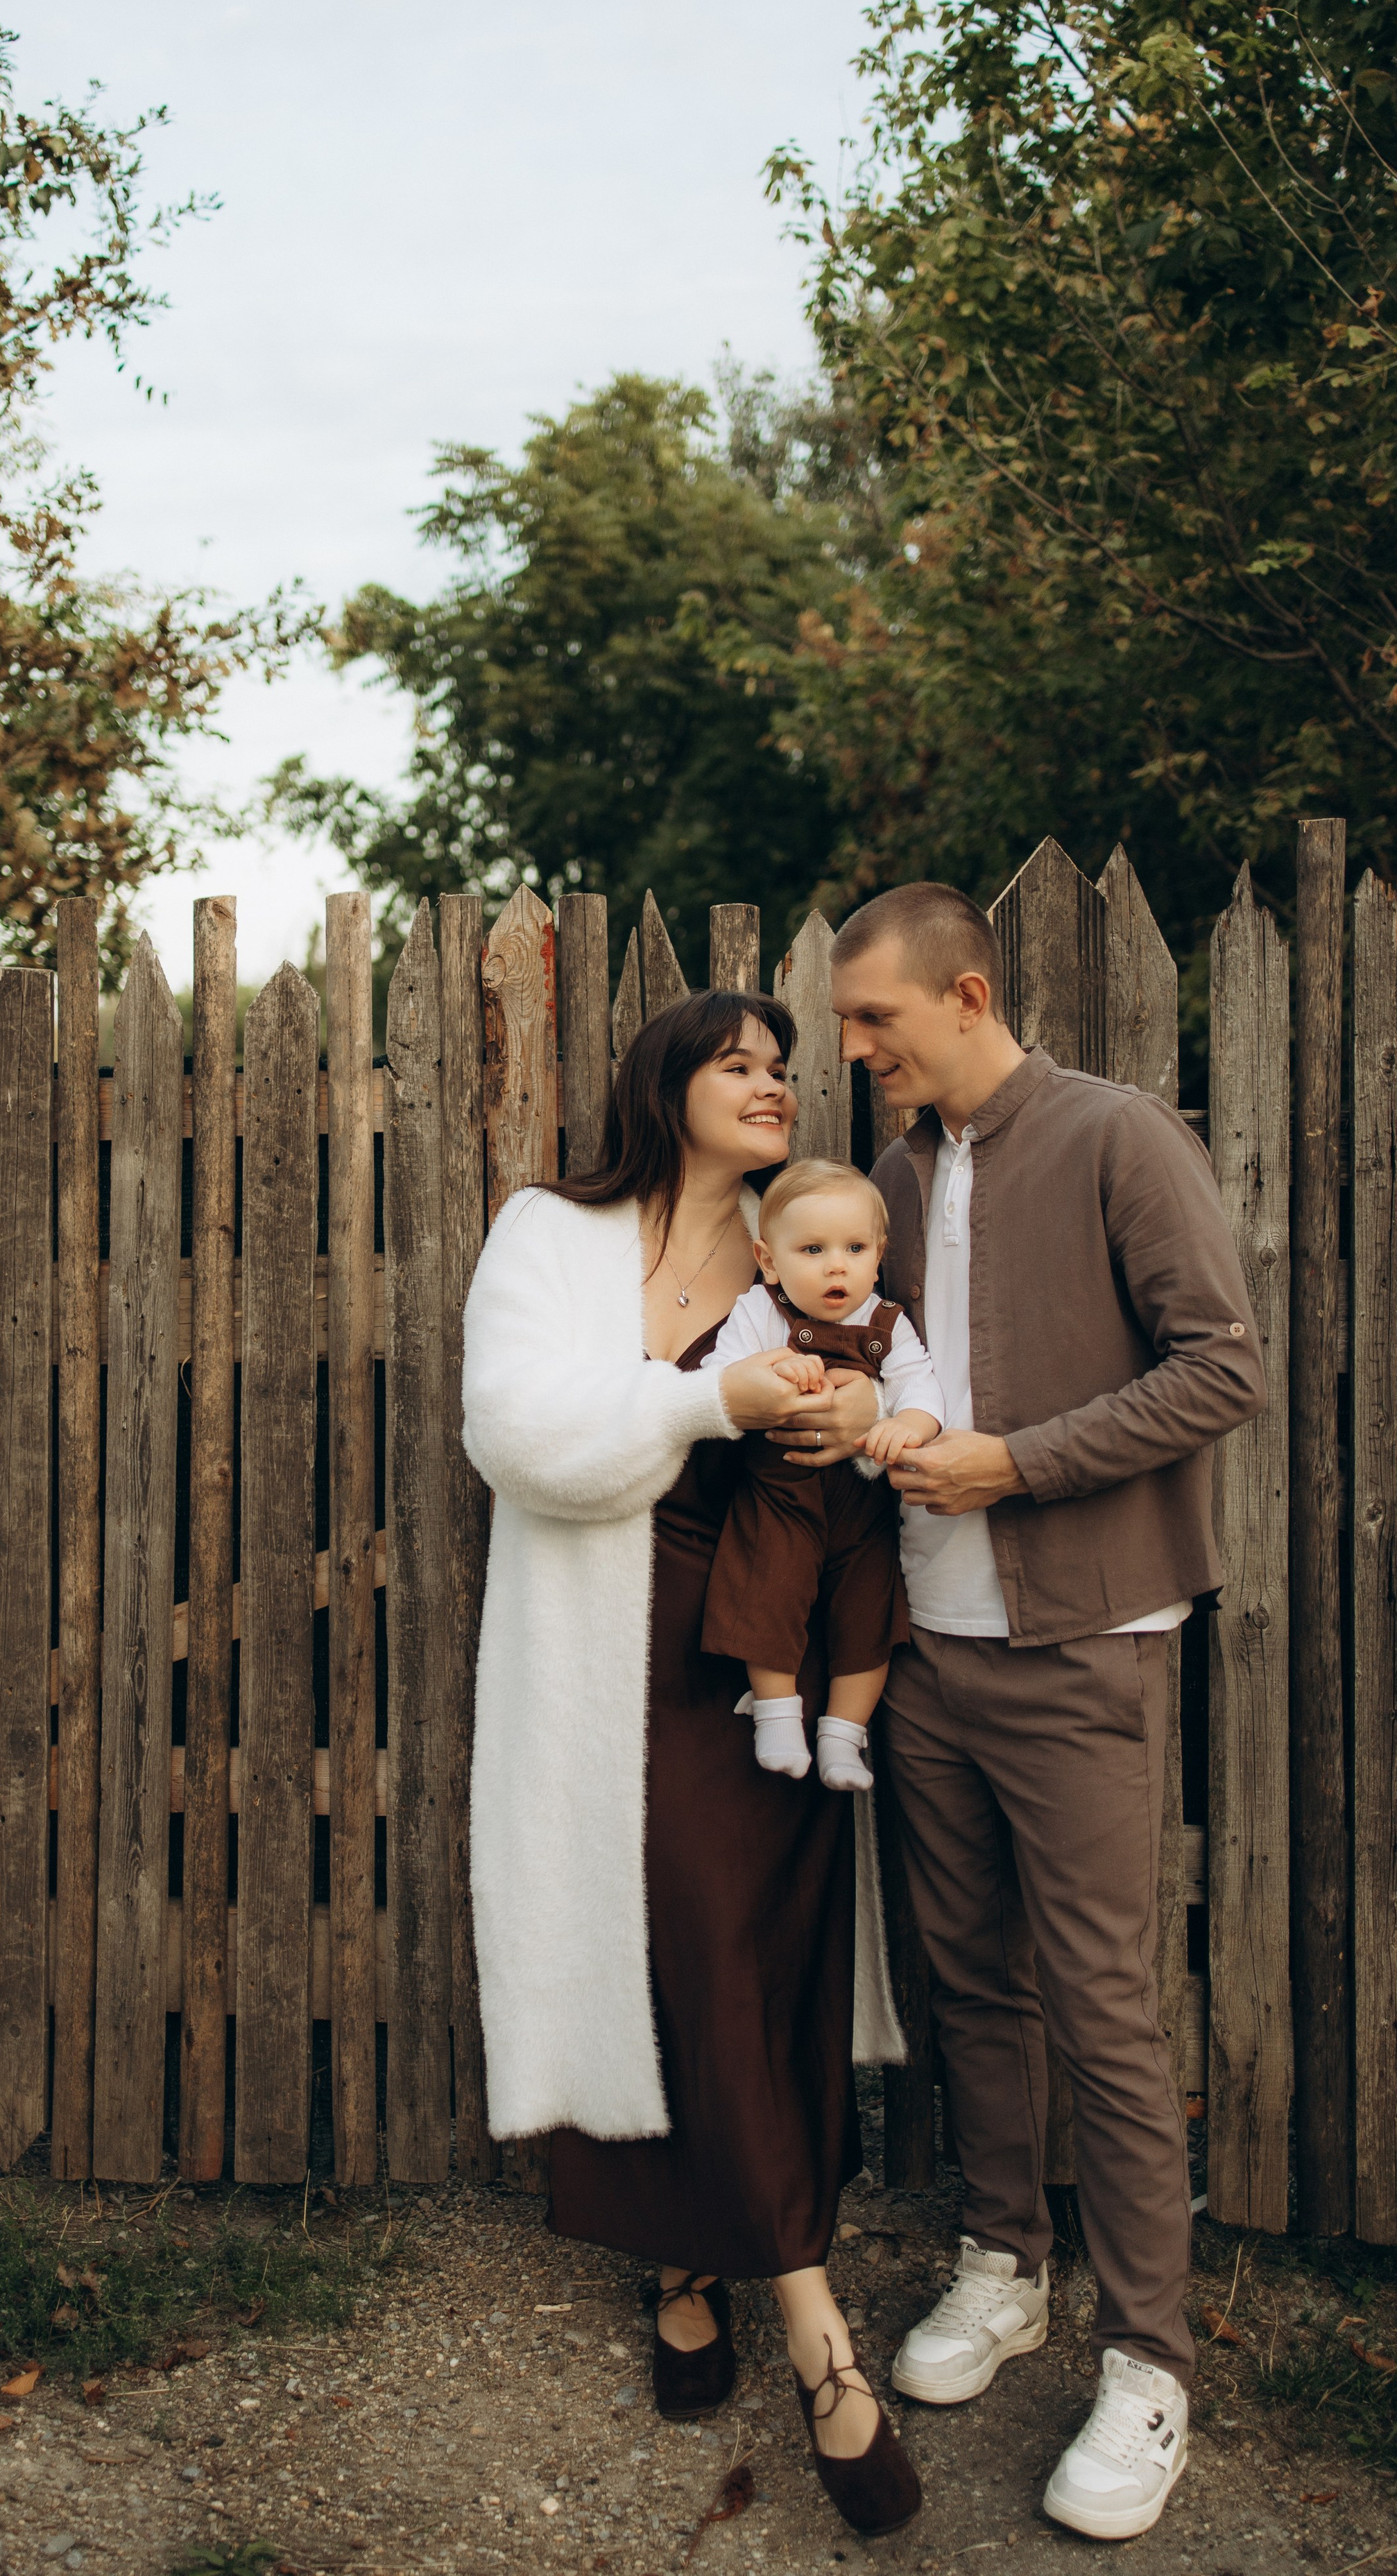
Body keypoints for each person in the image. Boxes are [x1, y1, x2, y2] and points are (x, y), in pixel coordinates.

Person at [824, 881, 1266, 2543]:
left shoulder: (1112, 1135)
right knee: (965, 1981)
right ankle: (1001, 2261)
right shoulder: (891, 1173)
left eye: (872, 1019)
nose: (850, 1048)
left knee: (1100, 2002)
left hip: (1082, 1644)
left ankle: (1148, 2358)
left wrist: (1012, 1463)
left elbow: (1220, 1365)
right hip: (918, 1649)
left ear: (961, 990)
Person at [461, 989, 921, 2539]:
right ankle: (809, 2334)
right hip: (612, 1646)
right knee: (662, 1950)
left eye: (783, 1067)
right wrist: (700, 1399)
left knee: (753, 1951)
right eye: (739, 1064)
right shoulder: (550, 1234)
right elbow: (511, 1431)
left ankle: (709, 2258)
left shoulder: (808, 1239)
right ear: (665, 1083)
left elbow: (897, 1398)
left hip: (763, 1647)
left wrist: (861, 1412)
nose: (774, 1086)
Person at [698, 1159, 944, 1788]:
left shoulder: (886, 1325)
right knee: (766, 1590)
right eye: (813, 1249)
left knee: (870, 1614)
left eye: (855, 1249)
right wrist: (777, 1369)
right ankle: (777, 1718)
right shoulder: (760, 1312)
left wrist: (906, 1424)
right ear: (769, 1259)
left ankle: (843, 1736)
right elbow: (718, 1383)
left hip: (861, 1505)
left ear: (879, 1254)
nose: (837, 1266)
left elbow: (923, 1391)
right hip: (778, 1497)